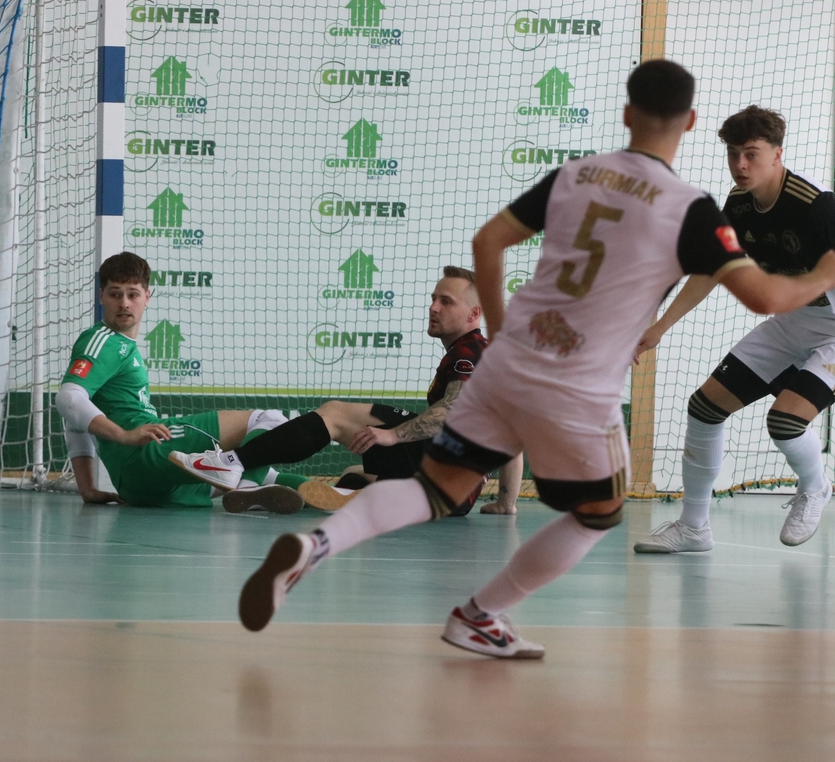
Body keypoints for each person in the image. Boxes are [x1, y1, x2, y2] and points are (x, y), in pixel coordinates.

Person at [234, 59, 835, 658]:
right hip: (577, 385)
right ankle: (479, 614)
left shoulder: (577, 174)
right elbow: (765, 297)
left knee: (438, 487)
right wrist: (826, 269)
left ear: (627, 114)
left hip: (507, 362)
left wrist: (499, 331)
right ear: (692, 122)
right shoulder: (690, 208)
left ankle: (315, 546)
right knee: (599, 512)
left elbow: (487, 242)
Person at [633, 106, 835, 552]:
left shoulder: (816, 205)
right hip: (792, 323)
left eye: (751, 154)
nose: (740, 164)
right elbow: (712, 268)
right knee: (704, 407)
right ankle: (693, 528)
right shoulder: (738, 206)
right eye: (733, 154)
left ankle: (816, 485)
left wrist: (790, 290)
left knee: (784, 421)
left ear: (777, 154)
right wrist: (661, 326)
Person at [168, 267, 522, 515]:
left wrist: (394, 435)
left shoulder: (469, 353)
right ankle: (346, 495)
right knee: (357, 470)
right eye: (433, 298)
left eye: (446, 301)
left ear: (474, 313)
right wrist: (506, 502)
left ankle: (231, 464)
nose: (433, 307)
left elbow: (453, 410)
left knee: (335, 414)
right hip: (455, 494)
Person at [57, 252, 309, 512]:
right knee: (272, 421)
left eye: (132, 294)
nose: (124, 303)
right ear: (101, 296)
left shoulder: (121, 344)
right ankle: (246, 491)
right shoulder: (104, 340)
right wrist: (124, 435)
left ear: (147, 297)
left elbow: (75, 419)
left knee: (265, 473)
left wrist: (87, 489)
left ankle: (332, 493)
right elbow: (69, 399)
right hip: (146, 452)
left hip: (139, 486)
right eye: (115, 294)